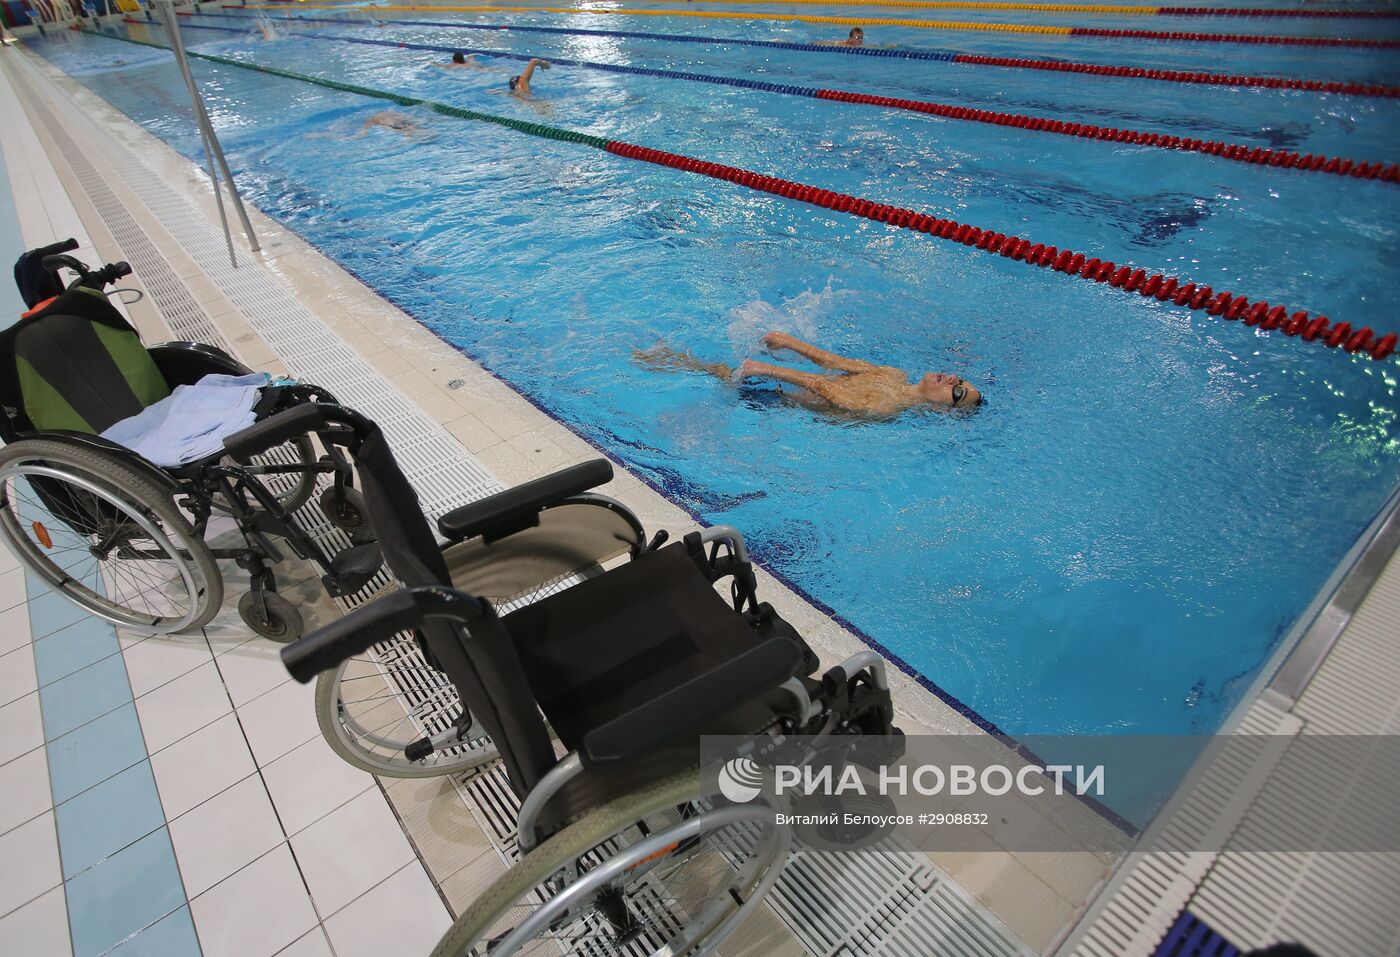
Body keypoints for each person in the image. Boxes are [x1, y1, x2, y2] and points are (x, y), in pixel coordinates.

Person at [636, 331, 982, 418]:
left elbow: (823, 389)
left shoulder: (884, 408)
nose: (954, 380)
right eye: (961, 380)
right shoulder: (893, 374)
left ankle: (654, 361)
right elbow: (831, 362)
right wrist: (787, 341)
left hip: (777, 399)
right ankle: (660, 358)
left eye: (958, 393)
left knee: (716, 371)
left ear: (941, 411)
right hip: (780, 380)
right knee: (716, 367)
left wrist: (767, 368)